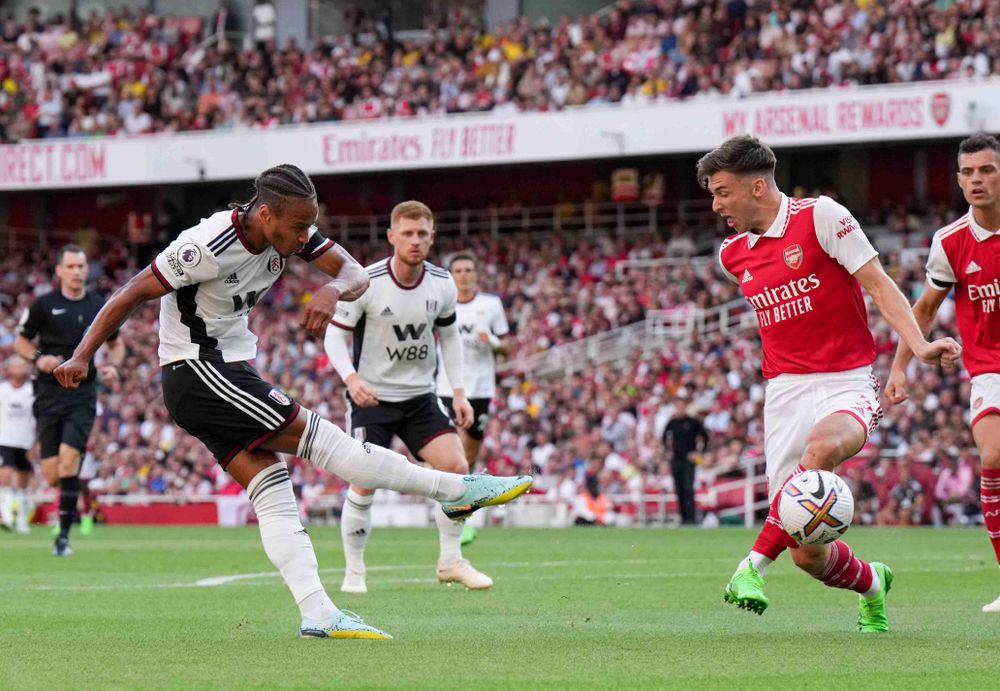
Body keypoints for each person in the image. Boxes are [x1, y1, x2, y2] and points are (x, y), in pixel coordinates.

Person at [54, 165, 532, 640]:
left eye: (310, 225)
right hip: (198, 370)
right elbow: (131, 291)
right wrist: (81, 355)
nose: (305, 235)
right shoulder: (205, 246)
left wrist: (330, 288)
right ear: (265, 214)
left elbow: (350, 270)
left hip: (227, 368)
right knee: (328, 443)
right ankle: (456, 489)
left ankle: (319, 613)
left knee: (274, 491)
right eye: (299, 226)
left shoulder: (290, 230)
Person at [700, 135, 961, 632]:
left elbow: (879, 285)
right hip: (784, 393)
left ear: (757, 186)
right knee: (807, 555)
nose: (716, 205)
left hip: (848, 381)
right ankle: (871, 583)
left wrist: (920, 348)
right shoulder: (732, 255)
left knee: (820, 451)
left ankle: (748, 570)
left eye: (722, 192)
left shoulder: (821, 217)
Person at [325, 201, 498, 593]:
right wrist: (351, 380)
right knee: (364, 481)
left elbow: (450, 336)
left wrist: (458, 392)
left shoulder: (442, 283)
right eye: (407, 233)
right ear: (391, 237)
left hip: (420, 397)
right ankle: (354, 571)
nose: (415, 241)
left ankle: (451, 561)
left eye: (422, 233)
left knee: (456, 466)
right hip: (372, 399)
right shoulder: (365, 282)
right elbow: (334, 335)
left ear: (432, 237)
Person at [885, 132, 1000, 613]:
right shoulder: (949, 242)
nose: (977, 180)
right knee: (992, 455)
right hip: (991, 367)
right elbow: (926, 309)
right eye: (969, 172)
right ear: (957, 179)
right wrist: (900, 367)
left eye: (987, 170)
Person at [14, 244, 125, 556]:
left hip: (82, 393)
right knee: (52, 474)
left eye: (82, 266)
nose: (78, 272)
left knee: (68, 461)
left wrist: (113, 365)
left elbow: (117, 345)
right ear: (59, 271)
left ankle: (62, 537)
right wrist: (38, 359)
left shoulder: (99, 306)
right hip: (48, 393)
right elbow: (22, 342)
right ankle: (68, 510)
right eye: (72, 266)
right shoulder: (43, 305)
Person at [435, 251, 510, 545]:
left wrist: (490, 341)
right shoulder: (443, 304)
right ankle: (454, 519)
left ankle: (459, 513)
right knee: (451, 455)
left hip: (480, 389)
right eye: (459, 271)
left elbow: (506, 348)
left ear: (476, 274)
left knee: (469, 457)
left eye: (469, 270)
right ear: (451, 276)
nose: (464, 275)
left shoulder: (490, 305)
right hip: (447, 387)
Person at [0, 356, 35, 533]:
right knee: (5, 475)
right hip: (5, 439)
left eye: (22, 366)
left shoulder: (31, 390)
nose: (19, 369)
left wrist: (37, 442)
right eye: (16, 366)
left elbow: (36, 417)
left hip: (25, 440)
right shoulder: (3, 390)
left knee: (23, 481)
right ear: (9, 370)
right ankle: (6, 516)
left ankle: (22, 520)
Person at [661, 399, 708, 525]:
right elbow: (664, 438)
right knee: (679, 489)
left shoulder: (692, 422)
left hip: (688, 461)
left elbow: (705, 437)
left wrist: (698, 452)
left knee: (688, 488)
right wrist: (668, 451)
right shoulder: (672, 423)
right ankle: (683, 517)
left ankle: (691, 517)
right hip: (676, 460)